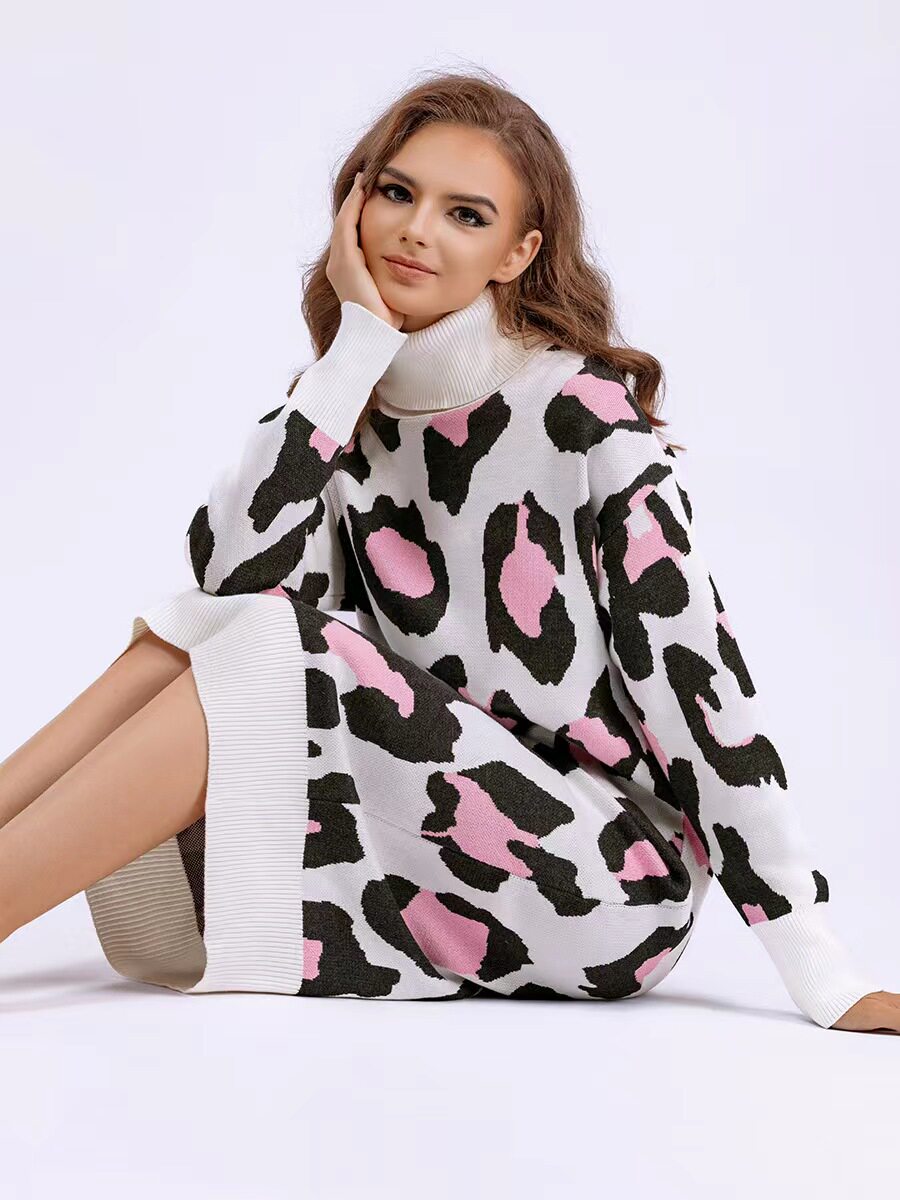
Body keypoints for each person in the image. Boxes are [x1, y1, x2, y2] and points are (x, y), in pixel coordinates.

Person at [1, 70, 895, 1033]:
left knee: (268, 644)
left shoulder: (582, 417)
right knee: (217, 628)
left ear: (519, 252)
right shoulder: (348, 405)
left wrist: (815, 957)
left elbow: (699, 686)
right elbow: (230, 583)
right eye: (396, 193)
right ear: (353, 207)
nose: (417, 230)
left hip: (608, 877)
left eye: (465, 215)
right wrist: (351, 358)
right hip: (446, 826)